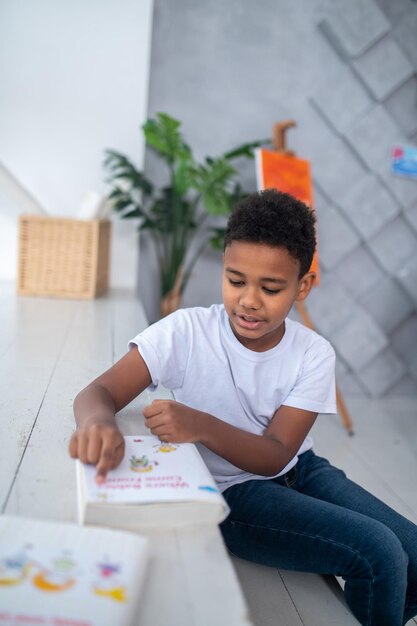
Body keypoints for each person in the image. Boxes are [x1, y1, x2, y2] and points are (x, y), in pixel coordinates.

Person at [69, 188, 417, 626]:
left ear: (303, 285)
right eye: (236, 281)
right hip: (236, 495)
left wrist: (201, 426)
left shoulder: (314, 353)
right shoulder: (187, 331)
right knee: (380, 552)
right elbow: (98, 392)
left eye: (270, 288)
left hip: (302, 470)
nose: (249, 300)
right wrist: (99, 421)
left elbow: (276, 452)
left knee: (413, 552)